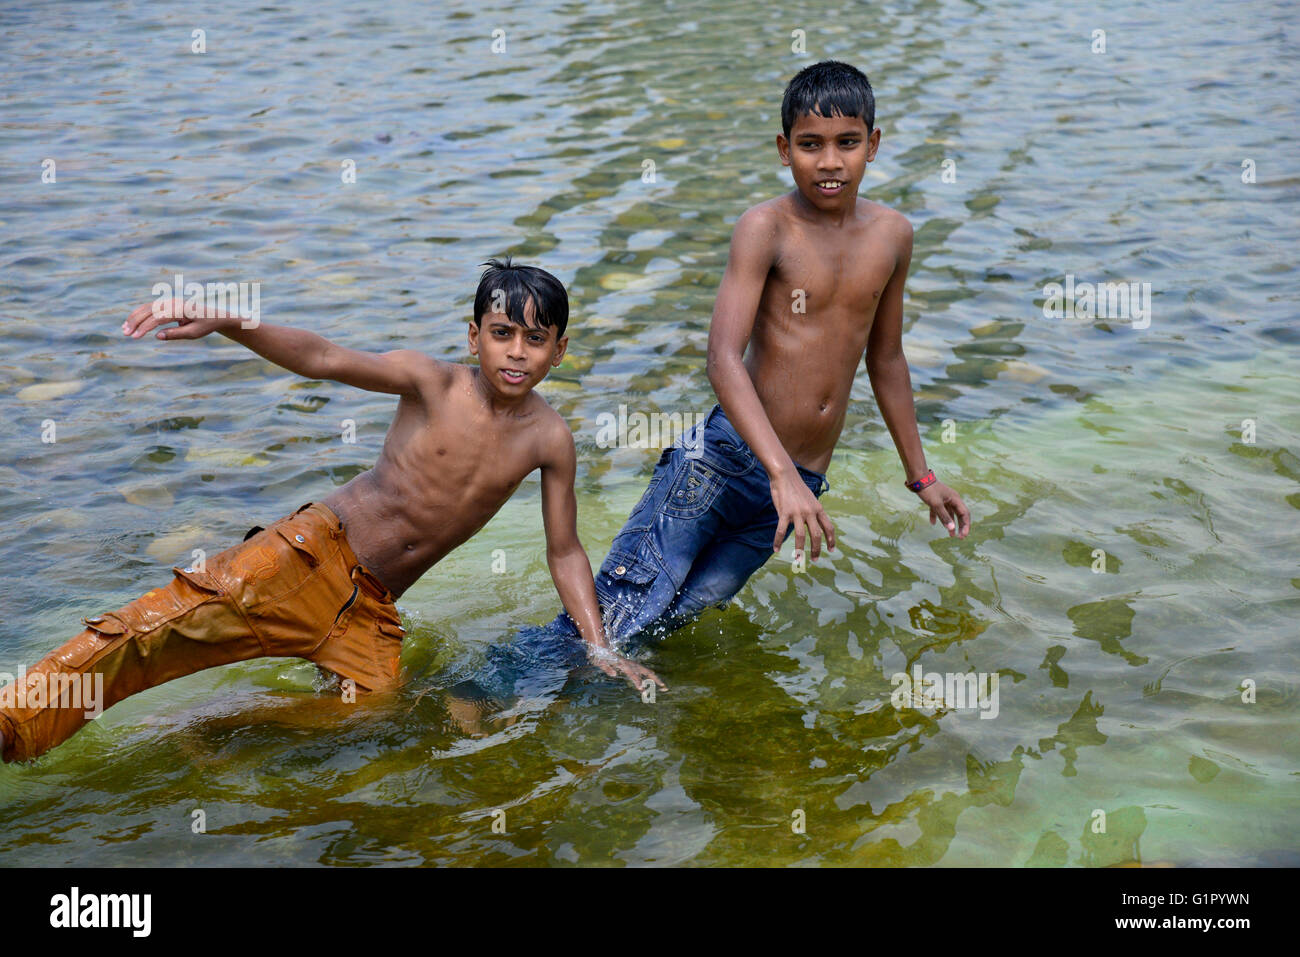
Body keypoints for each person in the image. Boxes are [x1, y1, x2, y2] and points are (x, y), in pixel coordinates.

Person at [452, 60, 971, 711]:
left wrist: (920, 475)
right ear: (784, 151)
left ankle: (565, 724)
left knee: (666, 625)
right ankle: (472, 691)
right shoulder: (767, 229)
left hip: (795, 489)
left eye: (847, 142)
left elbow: (887, 359)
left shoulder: (893, 236)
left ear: (875, 142)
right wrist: (777, 470)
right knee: (623, 607)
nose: (829, 161)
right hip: (723, 463)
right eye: (810, 145)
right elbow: (723, 358)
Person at [0, 258, 663, 763]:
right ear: (474, 336)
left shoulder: (550, 439)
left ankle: (210, 726)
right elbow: (322, 358)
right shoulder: (431, 382)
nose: (517, 351)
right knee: (149, 633)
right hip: (306, 554)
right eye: (502, 333)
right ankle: (13, 721)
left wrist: (599, 645)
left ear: (560, 349)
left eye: (535, 339)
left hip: (368, 606)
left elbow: (564, 549)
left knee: (374, 713)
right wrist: (230, 320)